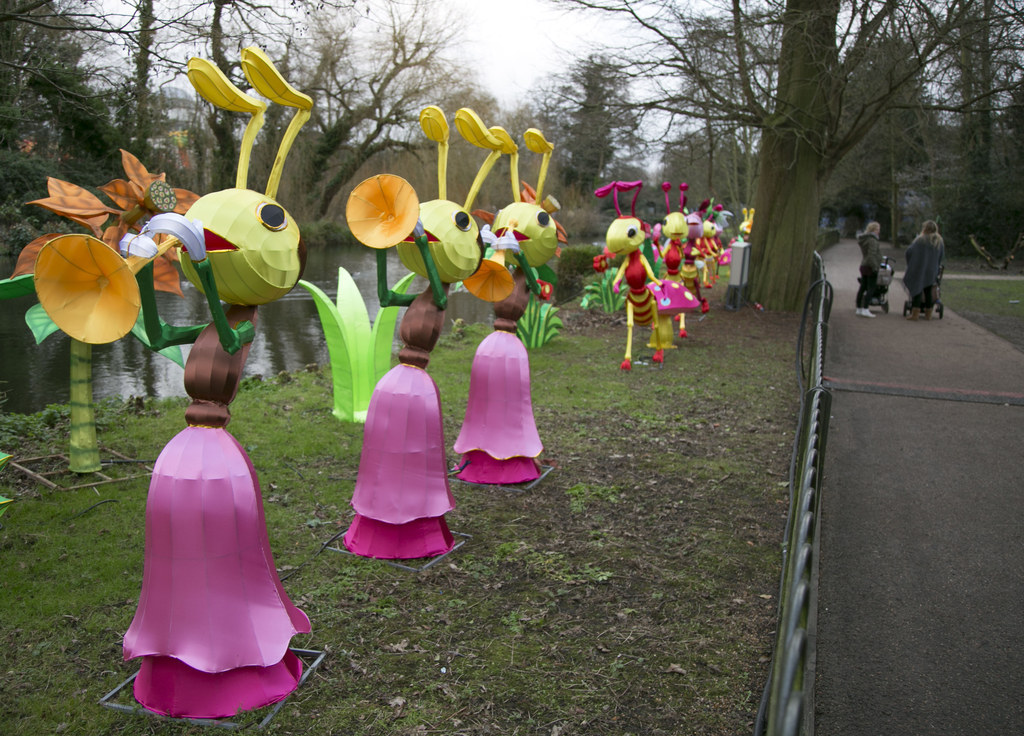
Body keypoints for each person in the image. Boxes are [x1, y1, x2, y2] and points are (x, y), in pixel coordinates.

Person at [903, 220, 945, 320]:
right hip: (932, 270)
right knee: (928, 291)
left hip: (919, 269)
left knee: (917, 290)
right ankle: (928, 314)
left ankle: (915, 314)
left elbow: (909, 252)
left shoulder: (920, 240)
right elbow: (941, 257)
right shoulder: (939, 242)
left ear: (925, 228)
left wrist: (912, 263)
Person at [855, 221, 882, 317]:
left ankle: (859, 307)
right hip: (870, 266)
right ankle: (865, 308)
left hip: (864, 264)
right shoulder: (873, 240)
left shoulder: (865, 239)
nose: (879, 232)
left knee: (862, 287)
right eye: (877, 229)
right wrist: (875, 266)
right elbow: (872, 255)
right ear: (874, 230)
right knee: (871, 288)